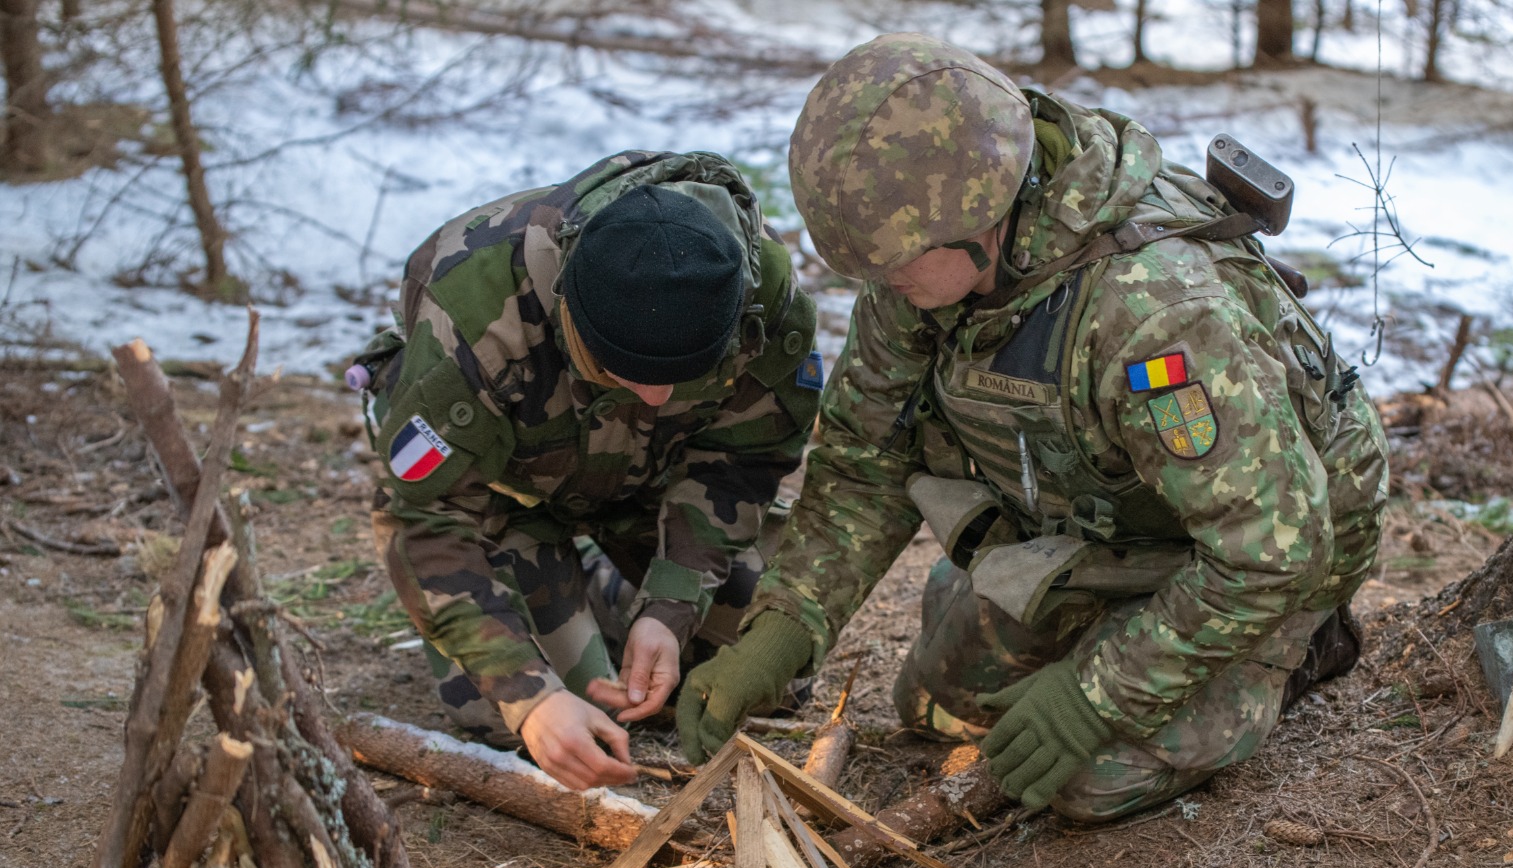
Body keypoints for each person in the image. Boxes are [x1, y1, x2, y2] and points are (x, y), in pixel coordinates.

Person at [673, 34, 1389, 821]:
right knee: (935, 712)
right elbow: (865, 460)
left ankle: (1294, 651)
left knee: (1081, 781)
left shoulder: (1153, 312)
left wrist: (1094, 697)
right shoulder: (922, 270)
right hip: (1112, 522)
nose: (881, 287)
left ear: (979, 217)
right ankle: (1076, 604)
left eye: (896, 264)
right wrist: (780, 634)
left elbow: (1272, 550)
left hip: (1269, 556)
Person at [359, 150, 822, 791]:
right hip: (506, 499)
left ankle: (610, 596)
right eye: (622, 372)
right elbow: (423, 514)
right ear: (567, 314)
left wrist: (670, 603)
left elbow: (746, 457)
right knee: (546, 720)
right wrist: (530, 698)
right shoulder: (473, 310)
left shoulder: (759, 297)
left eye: (681, 376)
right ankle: (557, 591)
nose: (656, 398)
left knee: (769, 676)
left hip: (651, 488)